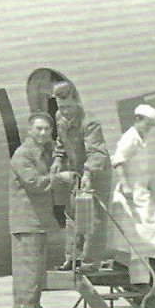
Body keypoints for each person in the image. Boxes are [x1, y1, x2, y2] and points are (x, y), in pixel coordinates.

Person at [9, 113, 76, 308]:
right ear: (29, 130)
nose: (43, 132)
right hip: (27, 219)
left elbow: (53, 161)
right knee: (28, 267)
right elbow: (34, 183)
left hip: (37, 220)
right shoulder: (23, 155)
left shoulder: (42, 153)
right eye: (39, 129)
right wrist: (60, 178)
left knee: (36, 267)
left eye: (47, 129)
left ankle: (34, 306)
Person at [108, 104, 155, 285]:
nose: (150, 127)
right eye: (147, 123)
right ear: (138, 120)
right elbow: (118, 161)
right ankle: (140, 280)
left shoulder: (142, 138)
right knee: (141, 237)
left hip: (143, 193)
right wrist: (125, 186)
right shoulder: (130, 138)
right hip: (132, 195)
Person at [51, 81, 112, 272]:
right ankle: (72, 258)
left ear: (77, 101)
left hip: (96, 172)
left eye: (69, 107)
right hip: (77, 170)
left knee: (94, 219)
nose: (65, 111)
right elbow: (61, 141)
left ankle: (89, 262)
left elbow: (97, 152)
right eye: (61, 107)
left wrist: (88, 173)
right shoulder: (59, 116)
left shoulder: (89, 122)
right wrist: (58, 159)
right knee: (72, 215)